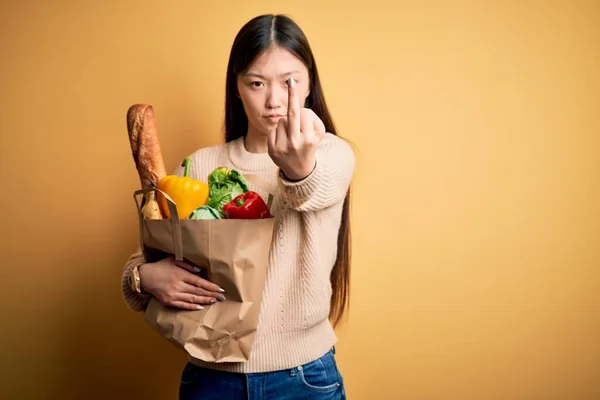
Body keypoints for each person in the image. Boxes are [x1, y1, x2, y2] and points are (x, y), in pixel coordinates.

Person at [121, 13, 355, 400]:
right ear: (237, 88)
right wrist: (143, 278)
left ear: (310, 83)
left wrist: (297, 168)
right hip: (210, 380)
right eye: (257, 83)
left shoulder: (332, 154)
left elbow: (309, 189)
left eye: (290, 82)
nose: (275, 100)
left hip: (304, 379)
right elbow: (151, 250)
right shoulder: (199, 165)